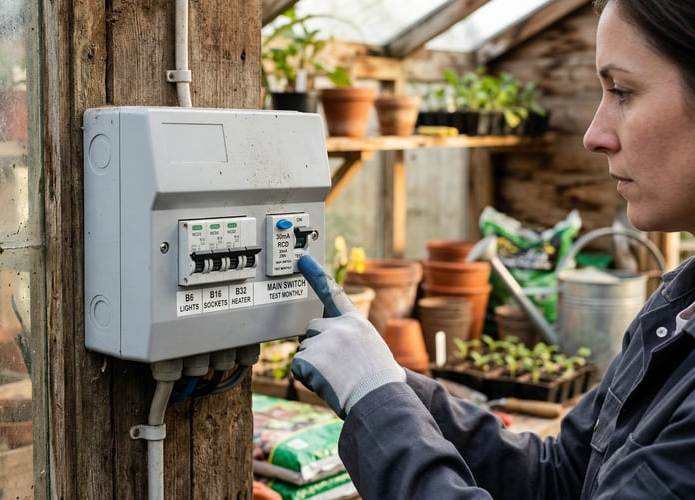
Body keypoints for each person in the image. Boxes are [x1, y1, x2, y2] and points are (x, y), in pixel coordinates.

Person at [291, 1, 695, 498]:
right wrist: (391, 382)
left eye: (623, 91)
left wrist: (376, 399)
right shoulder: (677, 304)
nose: (594, 135)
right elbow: (558, 476)